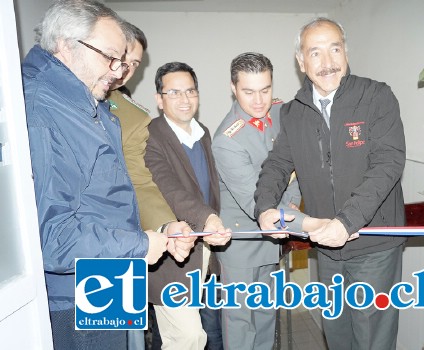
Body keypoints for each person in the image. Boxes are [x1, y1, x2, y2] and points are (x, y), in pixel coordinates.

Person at [22, 1, 175, 348]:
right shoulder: (43, 109)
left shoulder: (86, 101)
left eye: (123, 61)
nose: (119, 72)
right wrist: (139, 245)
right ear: (64, 44)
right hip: (79, 291)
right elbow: (54, 238)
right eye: (111, 58)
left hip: (107, 276)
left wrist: (156, 232)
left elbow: (110, 195)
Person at [254, 17, 407, 350]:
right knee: (337, 336)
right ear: (301, 62)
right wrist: (265, 206)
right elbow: (278, 165)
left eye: (334, 49)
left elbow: (388, 164)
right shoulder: (293, 113)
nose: (327, 63)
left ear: (346, 52)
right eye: (315, 53)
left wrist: (347, 221)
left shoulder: (376, 96)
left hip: (374, 246)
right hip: (327, 247)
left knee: (372, 341)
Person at [212, 52, 329, 350]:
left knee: (266, 317)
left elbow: (296, 165)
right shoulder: (227, 140)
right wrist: (307, 221)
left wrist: (291, 203)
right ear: (233, 88)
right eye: (248, 92)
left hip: (273, 237)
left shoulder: (280, 112)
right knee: (241, 325)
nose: (259, 101)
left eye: (265, 90)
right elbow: (256, 198)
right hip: (241, 242)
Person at [106, 23, 196, 349]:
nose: (125, 71)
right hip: (66, 238)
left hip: (120, 243)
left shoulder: (132, 117)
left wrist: (166, 224)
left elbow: (142, 181)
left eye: (133, 65)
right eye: (119, 58)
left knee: (117, 336)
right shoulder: (47, 94)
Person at [145, 61, 231, 349]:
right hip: (173, 252)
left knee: (213, 333)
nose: (184, 99)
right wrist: (208, 218)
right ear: (159, 100)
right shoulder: (150, 137)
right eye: (174, 92)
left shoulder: (203, 132)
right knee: (186, 337)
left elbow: (213, 188)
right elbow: (169, 188)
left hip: (207, 251)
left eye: (190, 91)